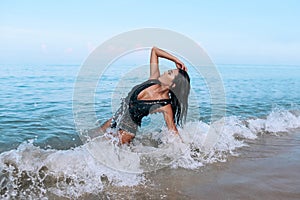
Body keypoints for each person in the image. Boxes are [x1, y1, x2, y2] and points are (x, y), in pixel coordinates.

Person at [96, 46, 190, 144]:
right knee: (89, 139)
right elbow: (155, 50)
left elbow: (173, 131)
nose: (166, 72)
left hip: (125, 134)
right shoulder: (153, 79)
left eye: (170, 73)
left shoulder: (165, 105)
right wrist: (176, 60)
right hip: (114, 120)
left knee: (98, 151)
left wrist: (188, 153)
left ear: (172, 85)